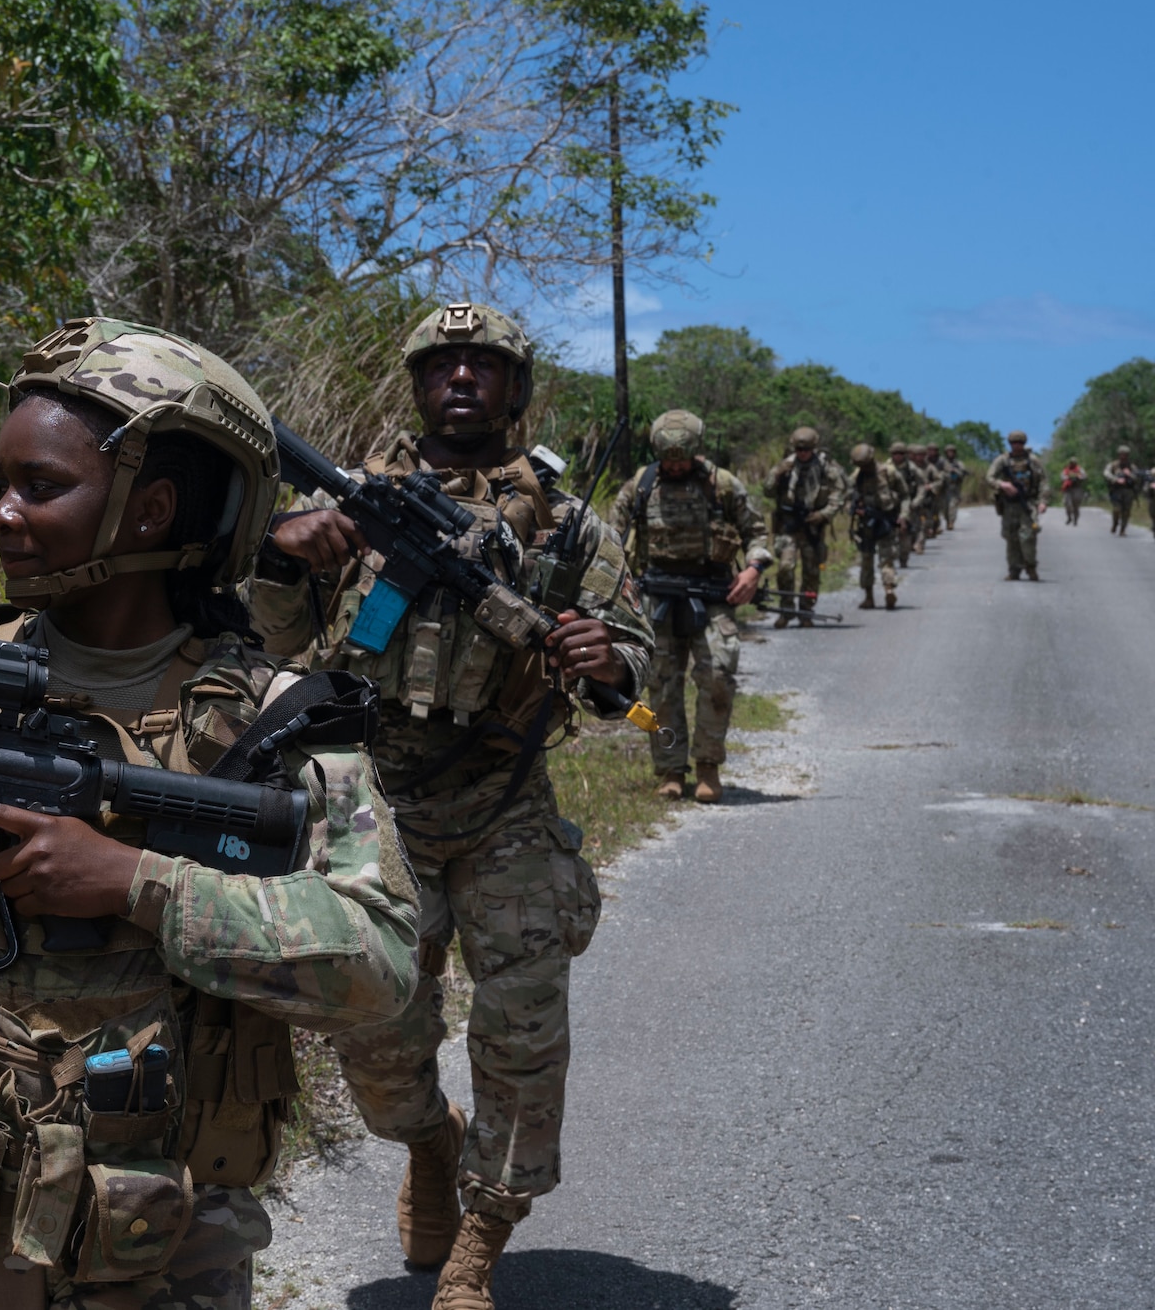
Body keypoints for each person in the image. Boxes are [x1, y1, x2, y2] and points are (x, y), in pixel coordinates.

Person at [0, 318, 420, 1310]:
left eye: (41, 486)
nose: (1, 514)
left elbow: (381, 964)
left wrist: (131, 881)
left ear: (148, 508)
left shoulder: (269, 722)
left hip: (141, 1251)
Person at [247, 302, 653, 1310]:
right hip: (373, 796)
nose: (460, 376)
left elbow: (625, 655)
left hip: (503, 796)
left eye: (483, 364)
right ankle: (426, 1139)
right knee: (377, 1022)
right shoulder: (349, 500)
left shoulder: (564, 524)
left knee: (522, 1031)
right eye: (441, 364)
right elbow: (277, 646)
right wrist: (282, 554)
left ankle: (480, 1234)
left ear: (515, 391)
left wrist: (606, 662)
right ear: (415, 384)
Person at [610, 409, 771, 805]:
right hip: (656, 596)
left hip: (712, 594)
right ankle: (669, 769)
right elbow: (609, 538)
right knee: (660, 685)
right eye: (669, 458)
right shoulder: (641, 485)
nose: (676, 465)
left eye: (682, 457)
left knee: (718, 675)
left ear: (696, 450)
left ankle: (708, 766)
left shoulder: (722, 484)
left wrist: (753, 570)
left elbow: (757, 533)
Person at [763, 426, 845, 628]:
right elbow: (767, 491)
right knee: (785, 567)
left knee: (811, 571)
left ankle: (806, 611)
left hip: (812, 526)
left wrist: (823, 514)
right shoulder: (786, 465)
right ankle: (786, 609)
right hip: (788, 525)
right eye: (799, 450)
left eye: (806, 450)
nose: (802, 454)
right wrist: (777, 475)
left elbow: (839, 495)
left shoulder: (825, 467)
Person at [845, 443, 909, 610]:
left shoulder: (889, 472)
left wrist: (903, 516)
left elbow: (905, 496)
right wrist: (853, 510)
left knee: (886, 558)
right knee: (866, 560)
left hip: (886, 521)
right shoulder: (856, 476)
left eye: (865, 465)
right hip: (865, 524)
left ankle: (889, 590)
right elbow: (845, 495)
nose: (863, 468)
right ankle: (869, 597)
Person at [987, 430, 1047, 580]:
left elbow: (1043, 482)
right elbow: (989, 477)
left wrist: (1043, 501)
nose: (1017, 446)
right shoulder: (1003, 460)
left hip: (1028, 504)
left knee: (1027, 537)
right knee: (1011, 538)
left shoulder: (1033, 460)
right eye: (1014, 443)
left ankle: (1031, 567)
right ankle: (1014, 570)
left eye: (1020, 443)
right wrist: (1002, 484)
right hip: (1009, 505)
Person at [887, 442, 918, 566]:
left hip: (906, 503)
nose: (898, 456)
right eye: (895, 453)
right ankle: (890, 556)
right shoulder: (886, 467)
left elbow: (921, 485)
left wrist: (916, 501)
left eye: (900, 454)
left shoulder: (912, 469)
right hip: (889, 504)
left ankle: (903, 558)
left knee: (904, 532)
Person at [1104, 445, 1139, 536]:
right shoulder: (1113, 465)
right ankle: (1115, 523)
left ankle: (1123, 529)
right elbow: (1106, 473)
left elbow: (1137, 477)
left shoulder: (1132, 466)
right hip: (1116, 490)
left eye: (1125, 454)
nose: (1123, 456)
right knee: (1117, 509)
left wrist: (1129, 474)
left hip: (1128, 491)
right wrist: (1116, 479)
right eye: (1122, 454)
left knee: (1126, 511)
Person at [942, 444, 966, 529]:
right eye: (949, 452)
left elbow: (962, 473)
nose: (950, 453)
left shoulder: (959, 463)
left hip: (954, 488)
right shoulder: (943, 463)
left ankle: (951, 522)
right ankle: (947, 521)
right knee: (945, 508)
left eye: (952, 452)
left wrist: (955, 471)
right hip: (944, 488)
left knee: (952, 506)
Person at [1060, 456, 1087, 525]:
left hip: (1077, 488)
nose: (1072, 464)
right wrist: (1068, 477)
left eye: (1074, 463)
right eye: (1071, 463)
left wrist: (1079, 477)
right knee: (1067, 504)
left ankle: (1075, 519)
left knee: (1076, 506)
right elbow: (1062, 476)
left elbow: (1084, 476)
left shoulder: (1079, 469)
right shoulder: (1066, 469)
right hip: (1068, 488)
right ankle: (1069, 517)